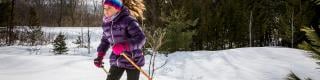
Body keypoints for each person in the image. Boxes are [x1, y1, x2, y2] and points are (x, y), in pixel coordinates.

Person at [93, 0, 146, 80]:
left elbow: (141, 38)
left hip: (133, 59)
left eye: (109, 8)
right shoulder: (106, 24)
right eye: (105, 8)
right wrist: (100, 56)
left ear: (117, 8)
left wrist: (124, 46)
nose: (106, 11)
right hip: (117, 60)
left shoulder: (128, 20)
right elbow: (105, 41)